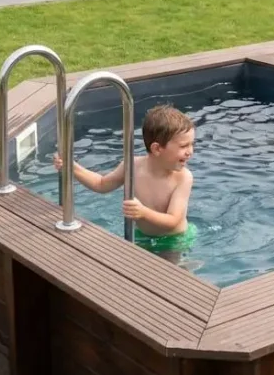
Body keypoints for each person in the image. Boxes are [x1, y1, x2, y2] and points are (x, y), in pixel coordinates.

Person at [55, 103, 196, 262]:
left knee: (169, 275)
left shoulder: (183, 178)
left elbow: (173, 220)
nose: (190, 151)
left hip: (173, 241)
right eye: (184, 146)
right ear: (157, 149)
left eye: (192, 144)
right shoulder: (132, 166)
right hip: (143, 236)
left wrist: (143, 212)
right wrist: (72, 167)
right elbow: (101, 184)